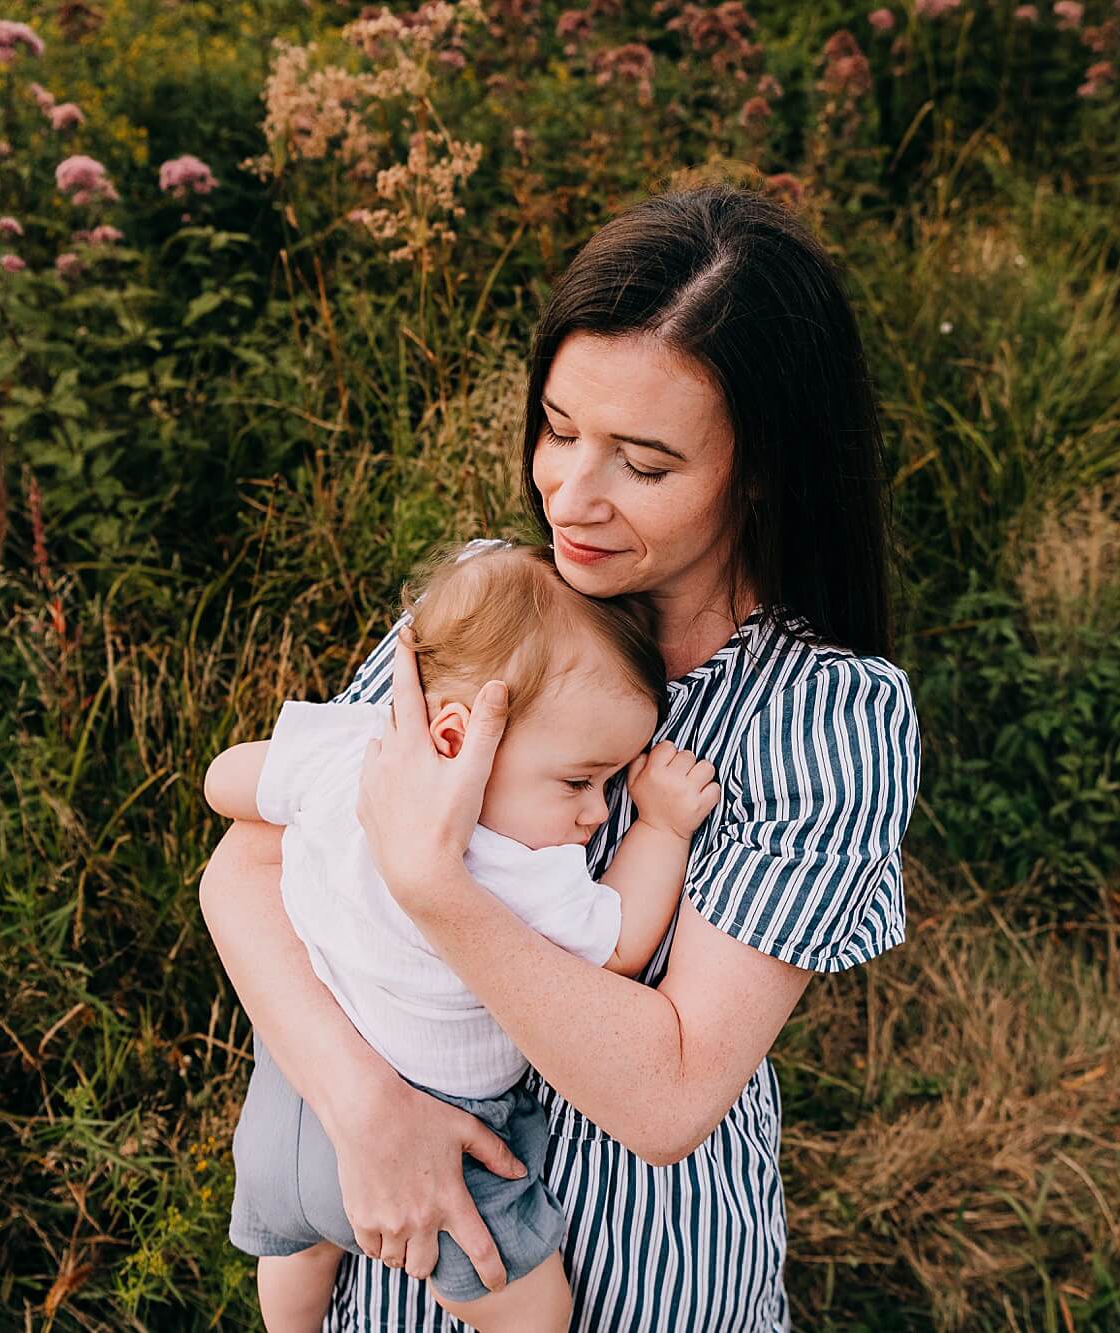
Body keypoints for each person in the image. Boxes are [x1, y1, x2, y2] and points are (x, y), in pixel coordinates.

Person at [199, 183, 921, 1332]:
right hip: (399, 1257)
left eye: (642, 463)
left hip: (648, 1285)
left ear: (763, 468)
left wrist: (436, 886)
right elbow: (244, 867)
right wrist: (363, 1111)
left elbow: (669, 1089)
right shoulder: (497, 603)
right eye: (557, 428)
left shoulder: (820, 717)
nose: (568, 496)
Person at [201, 542, 722, 1332]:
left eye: (614, 786)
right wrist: (663, 827)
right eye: (581, 780)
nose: (598, 811)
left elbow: (225, 784)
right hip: (446, 1129)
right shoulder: (521, 867)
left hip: (294, 1081)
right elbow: (618, 943)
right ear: (457, 740)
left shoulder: (354, 754)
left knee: (295, 1253)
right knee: (529, 1306)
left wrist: (309, 768)